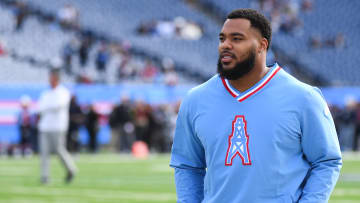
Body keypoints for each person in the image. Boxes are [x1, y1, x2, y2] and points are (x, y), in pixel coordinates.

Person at [170, 9, 342, 202]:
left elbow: (326, 161)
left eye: (236, 39)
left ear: (262, 45)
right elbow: (187, 165)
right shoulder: (195, 99)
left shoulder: (304, 97)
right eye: (222, 38)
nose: (225, 45)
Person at [37, 68, 77, 184]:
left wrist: (47, 108)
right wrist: (47, 108)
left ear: (56, 79)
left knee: (59, 150)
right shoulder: (46, 93)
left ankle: (71, 169)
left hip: (58, 126)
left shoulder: (63, 92)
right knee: (44, 152)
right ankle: (44, 177)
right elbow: (40, 108)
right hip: (45, 126)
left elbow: (58, 106)